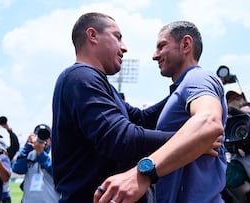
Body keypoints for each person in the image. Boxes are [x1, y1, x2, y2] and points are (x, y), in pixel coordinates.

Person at [94, 20, 227, 203]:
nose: (154, 56)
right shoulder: (180, 91)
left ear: (186, 44)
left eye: (162, 46)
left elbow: (209, 121)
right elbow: (139, 119)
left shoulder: (198, 77)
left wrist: (141, 173)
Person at [51, 12, 178, 203]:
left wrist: (182, 90)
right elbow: (121, 139)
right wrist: (191, 140)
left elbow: (141, 118)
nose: (124, 48)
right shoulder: (80, 77)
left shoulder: (99, 83)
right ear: (92, 35)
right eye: (117, 37)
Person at [12, 124, 60, 203]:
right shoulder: (29, 153)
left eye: (46, 136)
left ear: (51, 139)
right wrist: (27, 146)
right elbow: (17, 169)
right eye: (39, 135)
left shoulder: (56, 153)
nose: (43, 139)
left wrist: (41, 154)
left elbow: (58, 173)